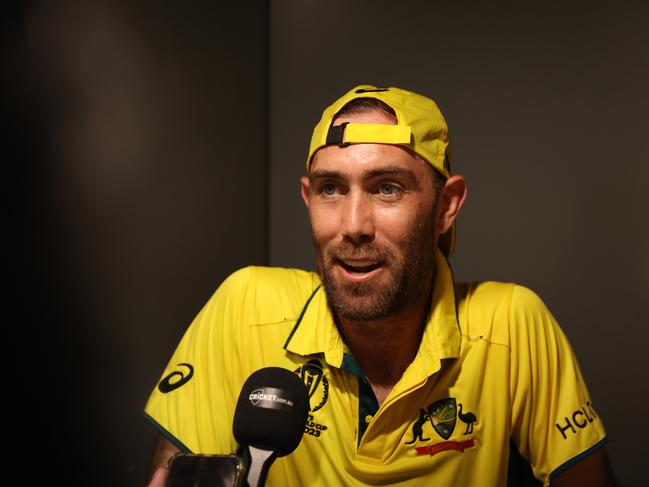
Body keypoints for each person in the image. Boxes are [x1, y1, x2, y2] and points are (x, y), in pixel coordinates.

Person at [144, 85, 615, 486]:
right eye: (331, 189)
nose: (353, 226)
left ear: (446, 206)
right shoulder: (245, 308)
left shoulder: (510, 325)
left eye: (387, 188)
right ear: (308, 198)